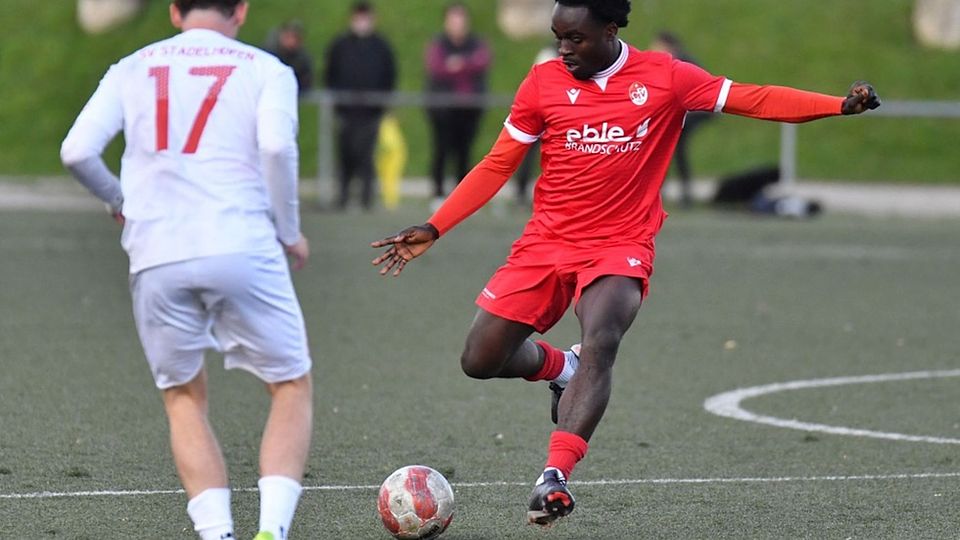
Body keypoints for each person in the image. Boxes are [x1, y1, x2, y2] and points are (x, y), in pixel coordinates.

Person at [371, 0, 880, 527]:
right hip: (546, 242)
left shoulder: (665, 77)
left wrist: (836, 105)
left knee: (603, 338)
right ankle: (559, 368)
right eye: (558, 37)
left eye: (576, 39)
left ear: (610, 30)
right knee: (480, 358)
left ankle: (555, 477)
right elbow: (499, 162)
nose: (563, 49)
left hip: (620, 242)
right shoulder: (543, 82)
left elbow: (752, 98)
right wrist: (436, 225)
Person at [60, 2, 314, 539]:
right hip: (241, 243)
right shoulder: (267, 69)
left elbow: (77, 150)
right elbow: (275, 146)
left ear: (175, 10)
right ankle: (272, 531)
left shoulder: (131, 66)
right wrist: (288, 231)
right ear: (241, 9)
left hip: (156, 250)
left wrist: (119, 202)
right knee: (290, 384)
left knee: (183, 397)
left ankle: (217, 533)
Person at [324, 1, 397, 211]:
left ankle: (367, 199)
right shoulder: (340, 45)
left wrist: (382, 102)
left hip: (371, 112)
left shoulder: (381, 47)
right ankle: (343, 196)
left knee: (367, 155)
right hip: (346, 111)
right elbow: (331, 73)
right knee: (345, 154)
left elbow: (389, 75)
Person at [425, 2, 492, 210]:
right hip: (443, 110)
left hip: (469, 108)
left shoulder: (476, 43)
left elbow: (482, 61)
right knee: (441, 151)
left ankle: (462, 197)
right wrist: (465, 65)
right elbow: (437, 68)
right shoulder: (438, 44)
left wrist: (458, 64)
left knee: (465, 152)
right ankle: (437, 193)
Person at [650, 30, 713, 207]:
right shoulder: (670, 62)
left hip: (696, 111)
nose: (654, 49)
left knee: (672, 148)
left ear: (669, 46)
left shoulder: (679, 64)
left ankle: (675, 193)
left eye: (658, 45)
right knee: (672, 149)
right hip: (687, 112)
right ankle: (675, 192)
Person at [513, 44, 557, 207]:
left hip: (559, 115)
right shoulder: (549, 54)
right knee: (527, 153)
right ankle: (521, 190)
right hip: (543, 115)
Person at [265, 19, 314, 94]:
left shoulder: (303, 59)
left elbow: (306, 82)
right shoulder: (269, 55)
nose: (291, 42)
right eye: (288, 37)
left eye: (295, 38)